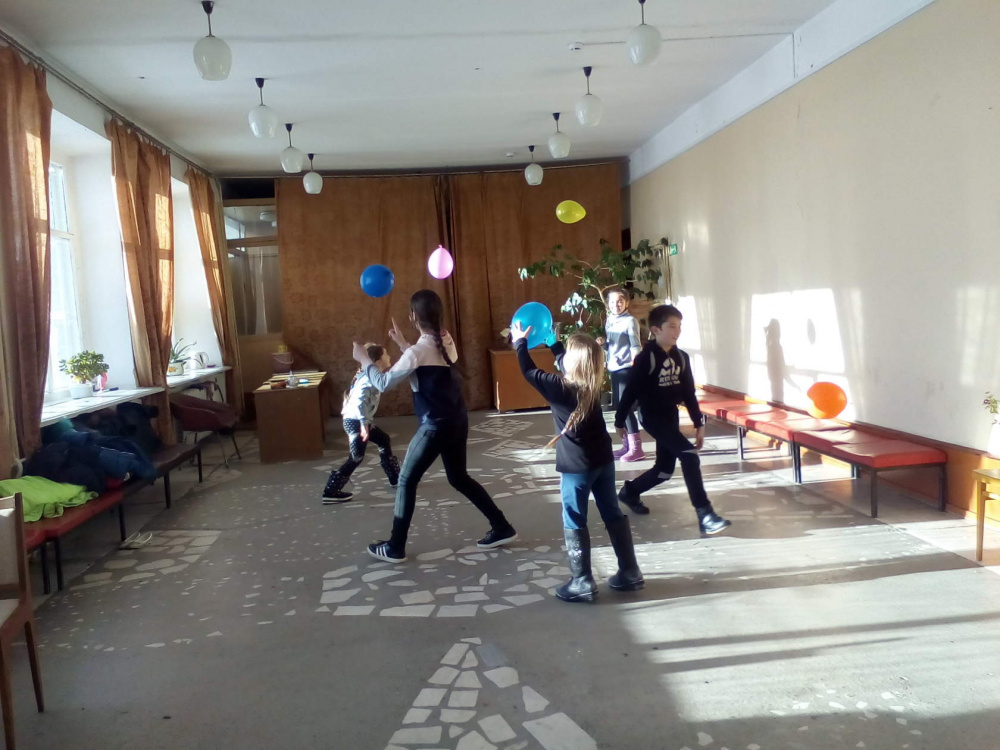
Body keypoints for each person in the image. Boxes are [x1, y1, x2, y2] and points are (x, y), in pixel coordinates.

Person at [353, 289, 517, 563]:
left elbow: (382, 383)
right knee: (459, 478)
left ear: (413, 316)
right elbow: (425, 358)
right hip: (457, 420)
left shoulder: (418, 352)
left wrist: (365, 360)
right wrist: (404, 344)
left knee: (406, 480)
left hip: (435, 426)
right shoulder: (446, 340)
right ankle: (501, 527)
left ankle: (395, 546)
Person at [512, 322, 643, 603]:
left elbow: (528, 371)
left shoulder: (559, 388)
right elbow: (567, 362)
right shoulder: (591, 382)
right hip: (603, 461)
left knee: (573, 517)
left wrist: (519, 342)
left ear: (574, 363)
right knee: (612, 511)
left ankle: (581, 581)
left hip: (576, 468)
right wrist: (555, 345)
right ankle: (630, 572)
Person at [614, 304, 731, 534]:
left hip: (670, 415)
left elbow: (688, 393)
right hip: (651, 416)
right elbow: (631, 391)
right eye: (672, 326)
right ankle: (705, 514)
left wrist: (699, 424)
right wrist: (619, 420)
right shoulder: (646, 358)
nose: (677, 331)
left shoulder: (682, 357)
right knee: (688, 455)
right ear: (656, 330)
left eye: (679, 326)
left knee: (664, 470)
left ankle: (630, 492)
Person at [322, 343, 400, 504]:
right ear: (378, 362)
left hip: (358, 420)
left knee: (383, 439)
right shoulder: (368, 378)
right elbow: (359, 401)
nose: (390, 357)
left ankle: (395, 479)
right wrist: (364, 424)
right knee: (356, 457)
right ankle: (331, 491)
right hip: (356, 421)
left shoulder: (370, 375)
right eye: (386, 354)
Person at [597, 288, 644, 461]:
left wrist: (636, 365)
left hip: (627, 368)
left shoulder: (630, 321)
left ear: (626, 303)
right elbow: (611, 346)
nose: (616, 305)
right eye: (612, 302)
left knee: (626, 407)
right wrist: (603, 344)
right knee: (619, 407)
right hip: (614, 368)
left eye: (619, 301)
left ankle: (637, 448)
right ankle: (627, 446)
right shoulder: (609, 320)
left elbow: (635, 345)